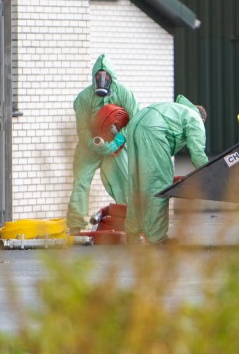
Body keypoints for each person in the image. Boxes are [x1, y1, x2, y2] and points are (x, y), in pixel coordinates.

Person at [121, 95, 208, 244]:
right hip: (153, 130)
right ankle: (157, 238)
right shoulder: (195, 118)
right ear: (203, 119)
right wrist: (208, 173)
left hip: (135, 123)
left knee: (137, 183)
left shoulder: (177, 110)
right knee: (159, 184)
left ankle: (132, 233)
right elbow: (198, 154)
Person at [66, 55, 138, 232]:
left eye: (105, 76)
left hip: (116, 145)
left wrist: (116, 142)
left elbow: (135, 121)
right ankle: (75, 224)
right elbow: (82, 128)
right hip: (89, 146)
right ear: (94, 78)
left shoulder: (124, 93)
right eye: (98, 77)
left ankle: (131, 220)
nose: (102, 80)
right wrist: (92, 143)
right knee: (81, 182)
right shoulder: (84, 98)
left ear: (112, 77)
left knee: (124, 180)